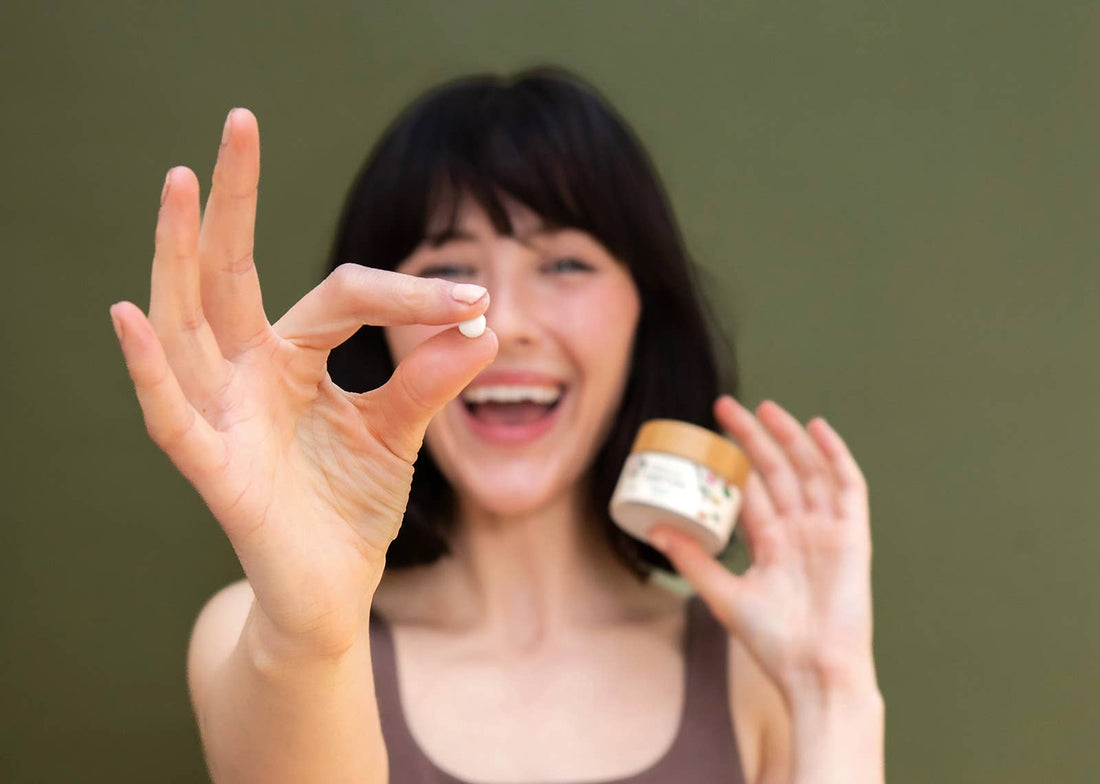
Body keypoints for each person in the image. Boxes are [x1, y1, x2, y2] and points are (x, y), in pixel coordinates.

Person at [109, 67, 884, 784]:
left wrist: (833, 693)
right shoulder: (259, 631)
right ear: (381, 324)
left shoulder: (759, 668)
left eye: (566, 264)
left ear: (643, 314)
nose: (507, 322)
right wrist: (312, 633)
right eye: (450, 267)